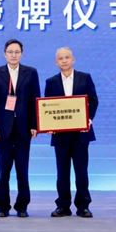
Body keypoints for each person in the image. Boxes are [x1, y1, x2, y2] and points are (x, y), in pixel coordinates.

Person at [0, 39, 40, 218]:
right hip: (3, 130)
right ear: (5, 54)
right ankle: (3, 207)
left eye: (17, 52)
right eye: (10, 52)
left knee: (22, 170)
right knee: (3, 170)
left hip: (23, 129)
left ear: (21, 54)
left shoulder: (31, 73)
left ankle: (22, 206)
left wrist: (35, 125)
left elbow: (35, 100)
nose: (13, 55)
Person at [44, 47, 98, 218]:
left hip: (81, 133)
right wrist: (48, 124)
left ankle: (83, 206)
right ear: (56, 62)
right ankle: (63, 206)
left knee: (81, 171)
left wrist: (88, 119)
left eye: (67, 57)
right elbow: (47, 106)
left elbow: (93, 101)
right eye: (60, 58)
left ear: (73, 59)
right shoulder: (51, 82)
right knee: (62, 172)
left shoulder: (85, 77)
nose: (64, 60)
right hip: (60, 135)